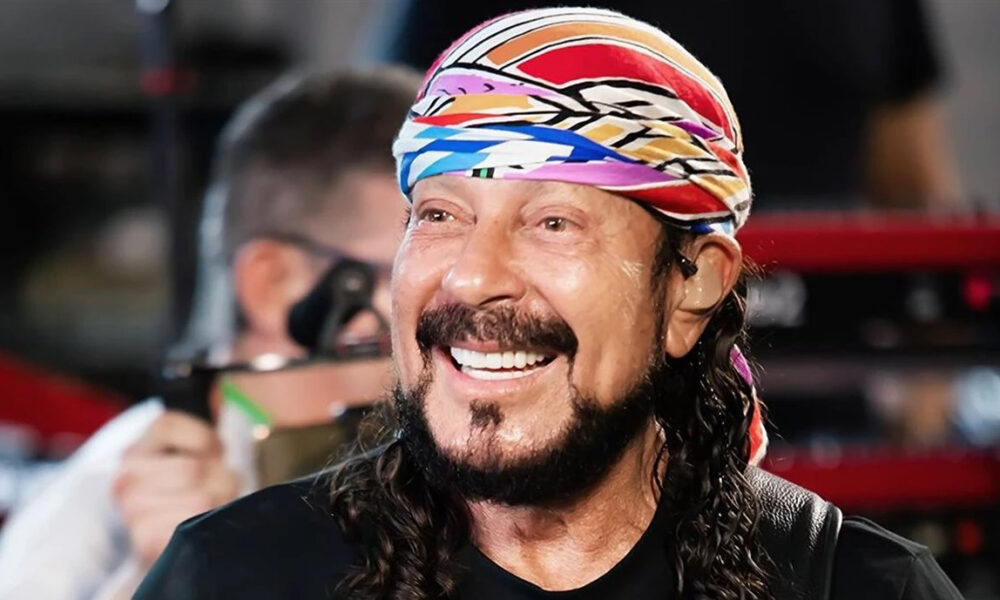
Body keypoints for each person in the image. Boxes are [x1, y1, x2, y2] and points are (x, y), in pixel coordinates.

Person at [135, 8, 964, 599]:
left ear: (692, 286)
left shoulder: (860, 585)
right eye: (439, 216)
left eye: (552, 222)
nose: (472, 278)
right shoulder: (236, 575)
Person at [0, 66, 420, 600]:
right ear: (276, 283)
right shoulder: (100, 505)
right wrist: (160, 573)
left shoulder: (404, 460)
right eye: (410, 261)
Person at [386, 0, 963, 210]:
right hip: (567, 382)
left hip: (830, 380)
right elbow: (396, 157)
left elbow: (912, 182)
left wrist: (929, 370)